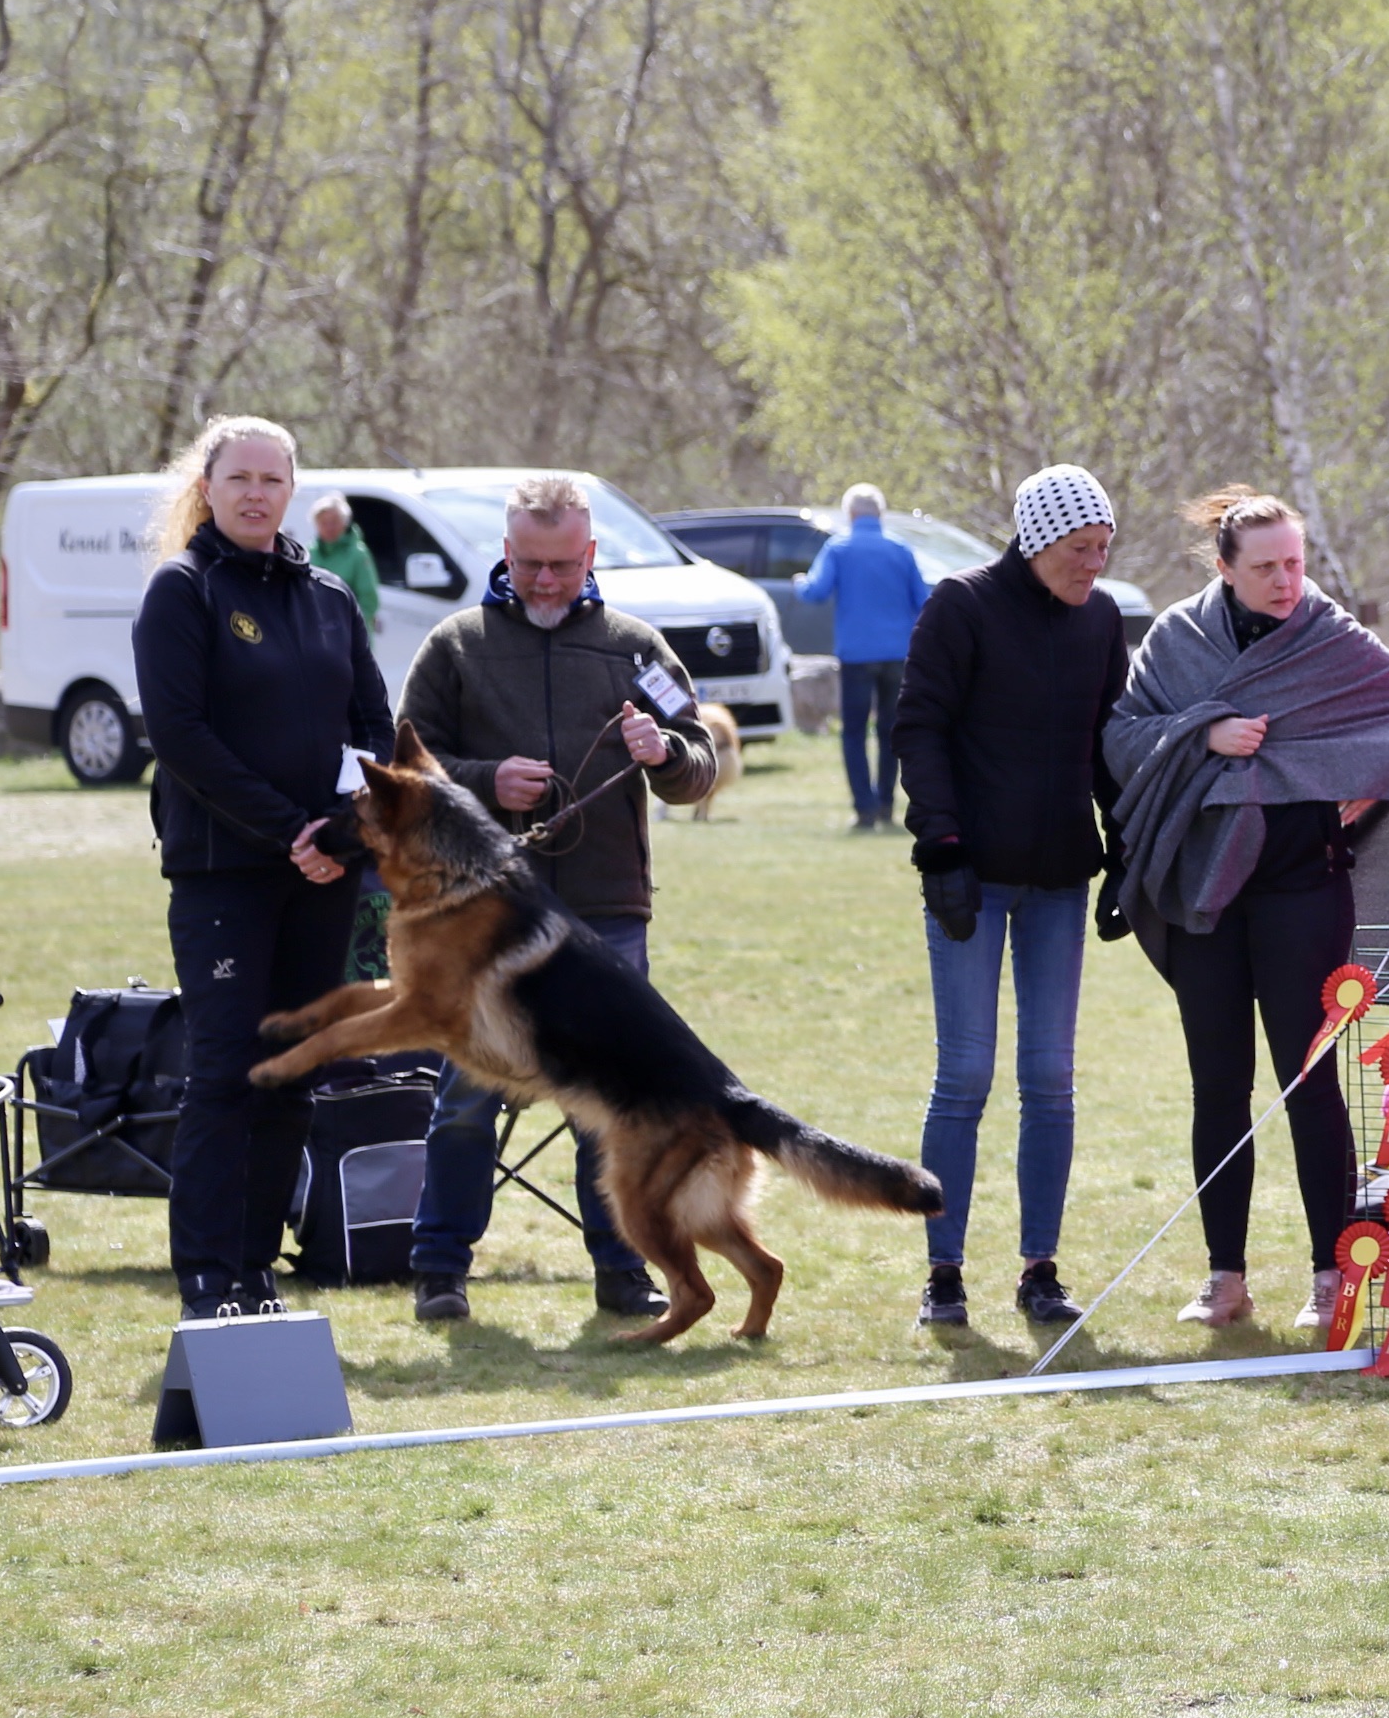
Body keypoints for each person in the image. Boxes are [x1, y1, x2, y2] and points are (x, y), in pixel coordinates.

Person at [1103, 487, 1389, 1334]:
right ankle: (1224, 1279)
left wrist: (1367, 781)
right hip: (1204, 894)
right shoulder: (1177, 640)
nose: (1285, 581)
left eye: (1295, 563)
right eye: (1265, 567)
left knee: (1311, 1082)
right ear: (1224, 568)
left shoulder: (1330, 637)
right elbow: (1121, 737)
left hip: (1305, 890)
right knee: (1217, 1086)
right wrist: (1202, 732)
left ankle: (1331, 1277)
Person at [400, 474, 722, 1324]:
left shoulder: (637, 649)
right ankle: (439, 1269)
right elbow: (405, 770)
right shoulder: (455, 646)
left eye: (563, 565)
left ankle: (622, 1269)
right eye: (530, 564)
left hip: (606, 911)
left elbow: (700, 766)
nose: (546, 581)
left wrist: (664, 754)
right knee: (466, 1099)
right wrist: (485, 781)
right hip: (483, 918)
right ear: (506, 553)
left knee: (612, 1106)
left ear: (591, 554)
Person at [130, 416, 393, 1318]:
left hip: (324, 873)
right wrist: (290, 831)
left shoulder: (330, 596)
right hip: (225, 875)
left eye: (271, 479)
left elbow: (373, 725)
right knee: (225, 1073)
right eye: (238, 478)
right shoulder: (183, 590)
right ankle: (206, 1277)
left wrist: (344, 834)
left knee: (292, 1071)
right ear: (207, 488)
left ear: (292, 491)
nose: (255, 493)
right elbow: (181, 737)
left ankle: (253, 1268)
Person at [899, 464, 1134, 1331]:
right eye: (1081, 549)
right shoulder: (961, 606)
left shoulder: (1101, 620)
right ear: (1039, 542)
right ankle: (944, 1272)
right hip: (971, 874)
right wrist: (942, 847)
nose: (1094, 565)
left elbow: (1108, 745)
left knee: (1050, 1077)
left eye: (1105, 548)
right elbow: (919, 727)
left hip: (1059, 880)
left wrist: (1124, 851)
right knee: (964, 1074)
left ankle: (1040, 1268)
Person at [798, 482, 928, 832]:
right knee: (891, 730)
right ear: (880, 514)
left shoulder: (839, 548)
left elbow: (816, 591)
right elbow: (922, 600)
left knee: (854, 731)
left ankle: (864, 808)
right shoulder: (900, 549)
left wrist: (799, 583)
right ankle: (886, 804)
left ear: (851, 514)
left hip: (856, 654)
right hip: (896, 653)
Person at [306, 491, 381, 630]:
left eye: (334, 522)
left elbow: (369, 601)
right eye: (324, 523)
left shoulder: (358, 554)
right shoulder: (309, 553)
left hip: (350, 632)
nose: (329, 528)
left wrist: (353, 630)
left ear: (344, 523)